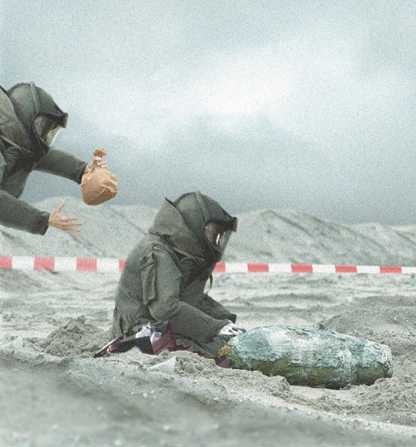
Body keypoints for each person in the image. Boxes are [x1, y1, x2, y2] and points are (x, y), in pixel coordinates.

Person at [110, 192, 245, 356]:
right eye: (213, 234)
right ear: (195, 225)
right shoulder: (158, 252)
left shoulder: (179, 253)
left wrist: (224, 320)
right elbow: (165, 308)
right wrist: (217, 327)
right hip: (138, 333)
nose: (215, 241)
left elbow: (190, 298)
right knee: (222, 354)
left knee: (228, 341)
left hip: (156, 325)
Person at [0, 82, 112, 236]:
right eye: (43, 127)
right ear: (26, 118)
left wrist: (84, 171)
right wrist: (43, 219)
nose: (45, 137)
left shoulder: (14, 143)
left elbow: (45, 158)